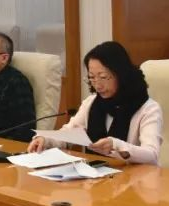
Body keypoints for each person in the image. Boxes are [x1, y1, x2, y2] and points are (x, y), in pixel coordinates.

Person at [28, 41, 162, 164]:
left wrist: (115, 145)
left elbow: (151, 154)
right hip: (96, 175)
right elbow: (69, 134)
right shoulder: (92, 102)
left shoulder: (148, 109)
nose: (97, 85)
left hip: (135, 178)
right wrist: (46, 140)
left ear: (121, 74)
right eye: (92, 77)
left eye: (103, 77)